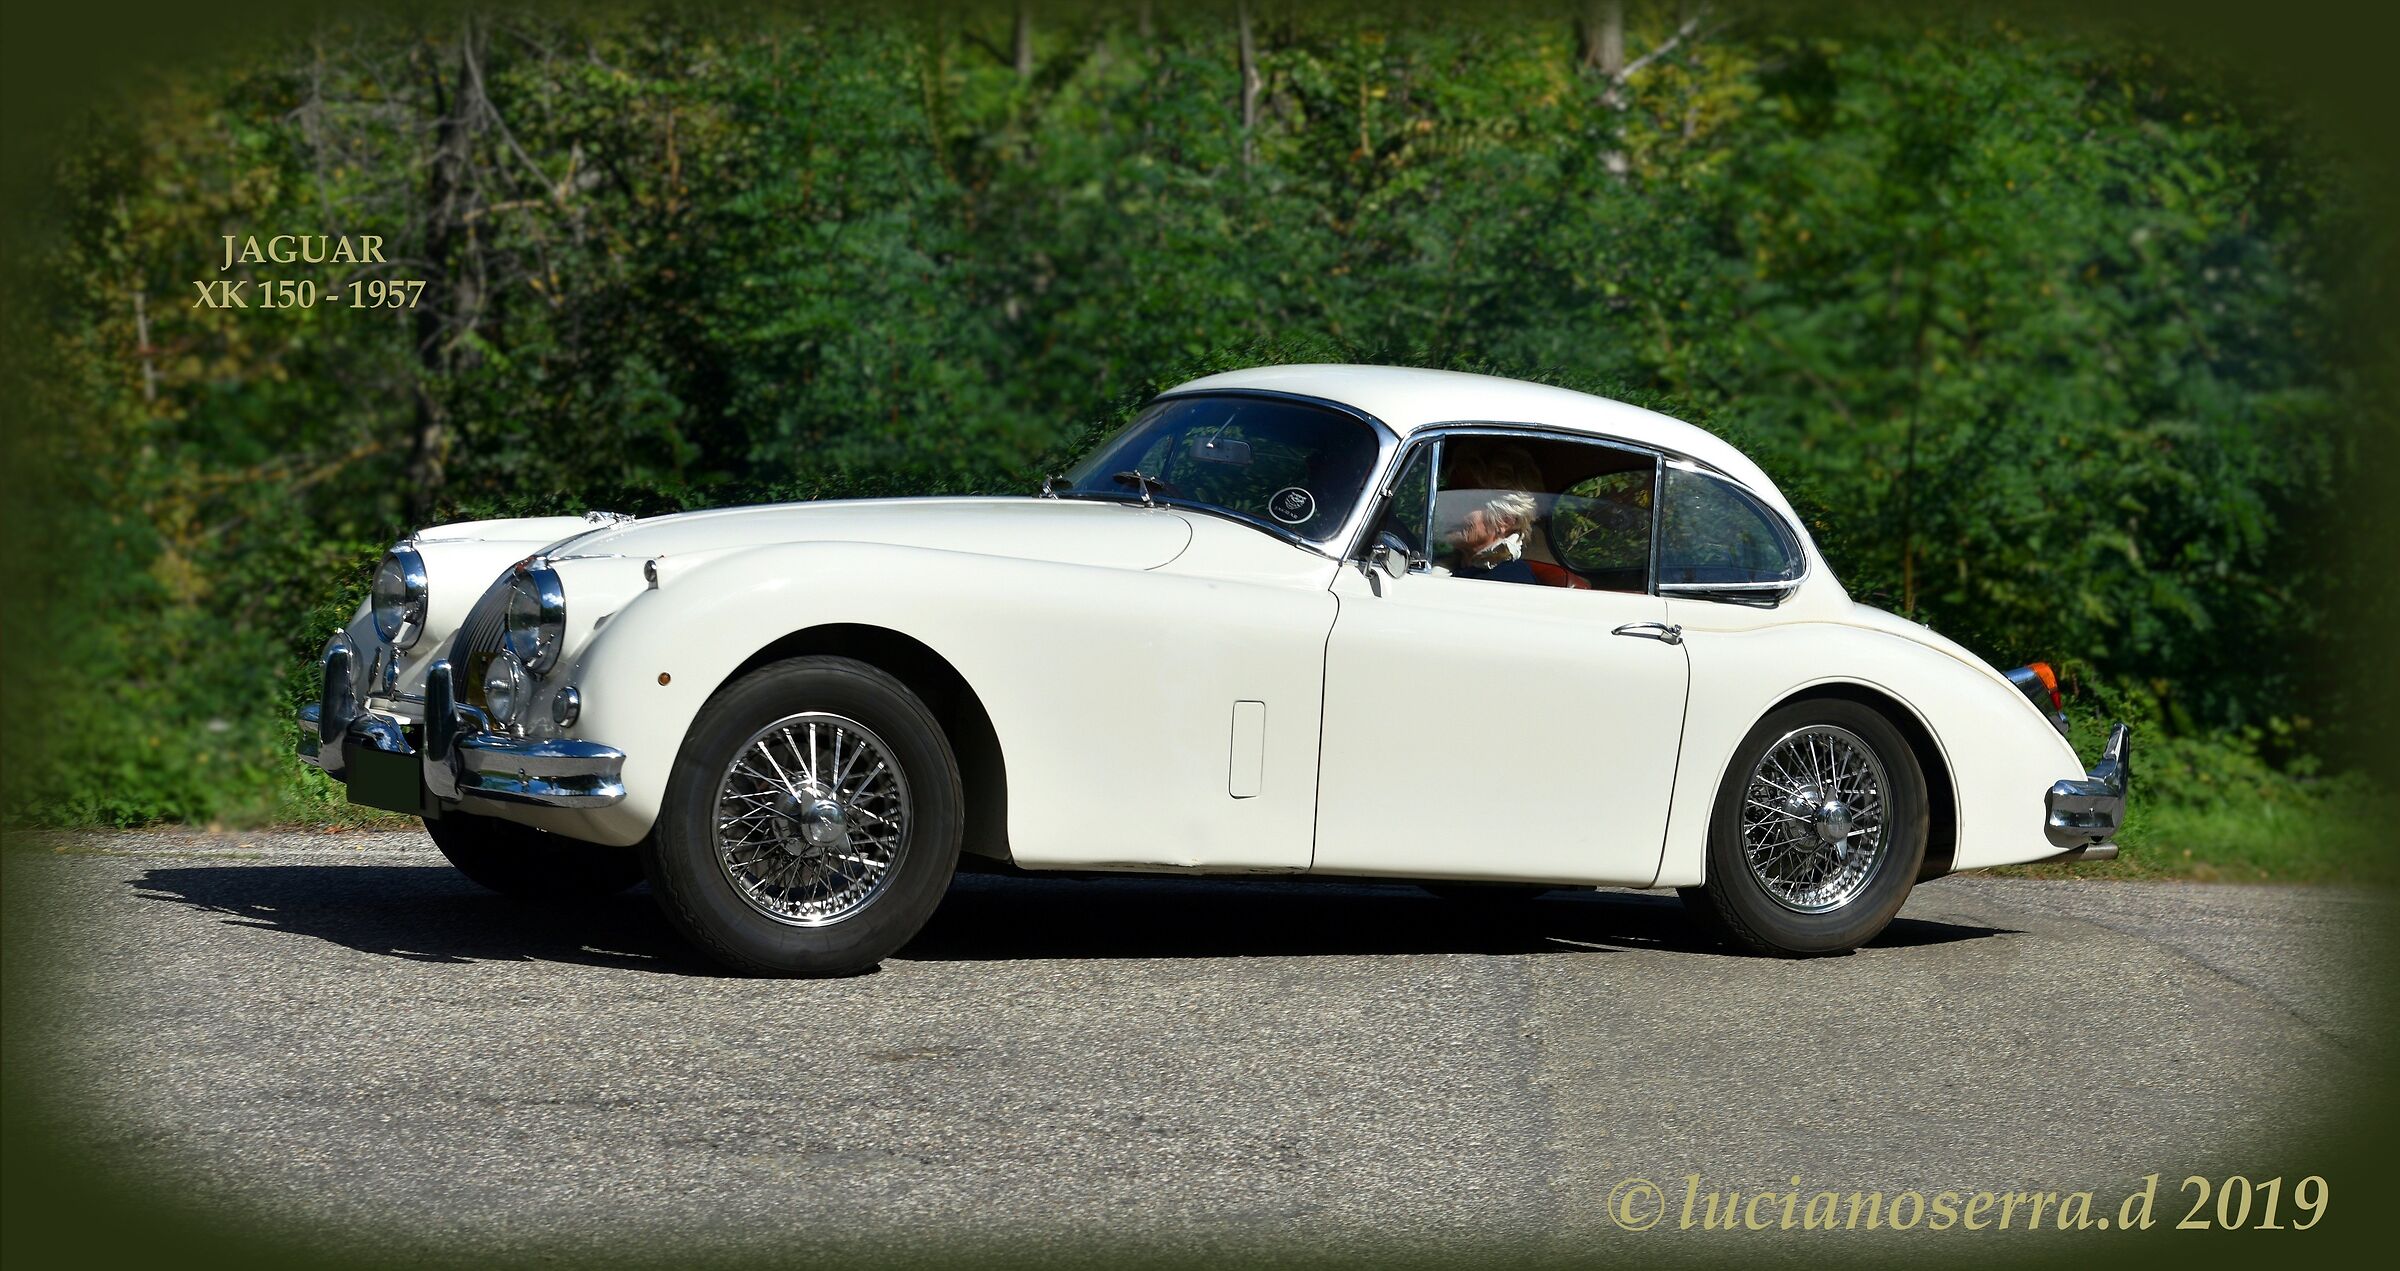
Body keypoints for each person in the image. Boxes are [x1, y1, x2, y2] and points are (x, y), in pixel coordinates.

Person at [1437, 444, 1546, 585]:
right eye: (1449, 493)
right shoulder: (1452, 565)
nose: (1449, 507)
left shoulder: (1511, 582)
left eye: (1463, 499)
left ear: (1506, 519)